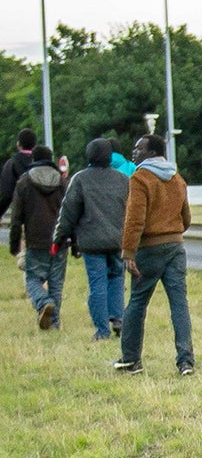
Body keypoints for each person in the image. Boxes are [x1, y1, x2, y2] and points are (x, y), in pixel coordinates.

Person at [116, 133, 194, 375]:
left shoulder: (140, 178)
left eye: (139, 148)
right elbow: (186, 218)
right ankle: (186, 361)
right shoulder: (176, 178)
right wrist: (172, 232)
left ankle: (131, 359)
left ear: (151, 153)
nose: (134, 152)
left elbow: (135, 218)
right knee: (179, 304)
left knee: (137, 302)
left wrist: (128, 251)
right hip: (175, 247)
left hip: (148, 249)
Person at [55, 138, 129, 339]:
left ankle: (102, 329)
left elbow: (68, 212)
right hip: (117, 240)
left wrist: (59, 237)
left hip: (91, 241)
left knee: (97, 283)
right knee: (116, 278)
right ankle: (118, 318)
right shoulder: (122, 179)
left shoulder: (80, 179)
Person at [7, 144, 64, 329]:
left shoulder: (24, 181)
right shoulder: (62, 182)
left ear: (34, 159)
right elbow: (70, 212)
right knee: (56, 282)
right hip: (59, 240)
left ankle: (42, 302)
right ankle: (54, 323)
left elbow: (16, 217)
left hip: (35, 240)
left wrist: (14, 244)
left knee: (33, 279)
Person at [0, 128, 35, 216]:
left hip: (20, 213)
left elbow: (6, 194)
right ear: (35, 145)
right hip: (43, 214)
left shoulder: (11, 164)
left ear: (18, 144)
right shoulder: (42, 162)